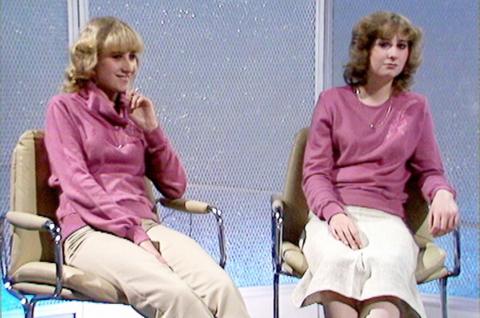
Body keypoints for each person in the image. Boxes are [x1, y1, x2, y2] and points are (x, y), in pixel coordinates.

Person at [44, 16, 250, 318]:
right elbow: (78, 185)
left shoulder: (133, 114)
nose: (129, 66)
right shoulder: (64, 108)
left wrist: (152, 129)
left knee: (222, 289)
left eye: (133, 56)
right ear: (90, 61)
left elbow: (175, 186)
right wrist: (134, 235)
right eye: (117, 57)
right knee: (176, 295)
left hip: (144, 225)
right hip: (89, 232)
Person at [292, 11, 459, 318]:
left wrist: (442, 193)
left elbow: (430, 171)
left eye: (402, 46)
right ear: (365, 49)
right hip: (335, 216)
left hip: (387, 219)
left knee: (387, 269)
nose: (394, 53)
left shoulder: (415, 108)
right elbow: (314, 173)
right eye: (384, 44)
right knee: (337, 264)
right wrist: (334, 214)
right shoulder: (332, 102)